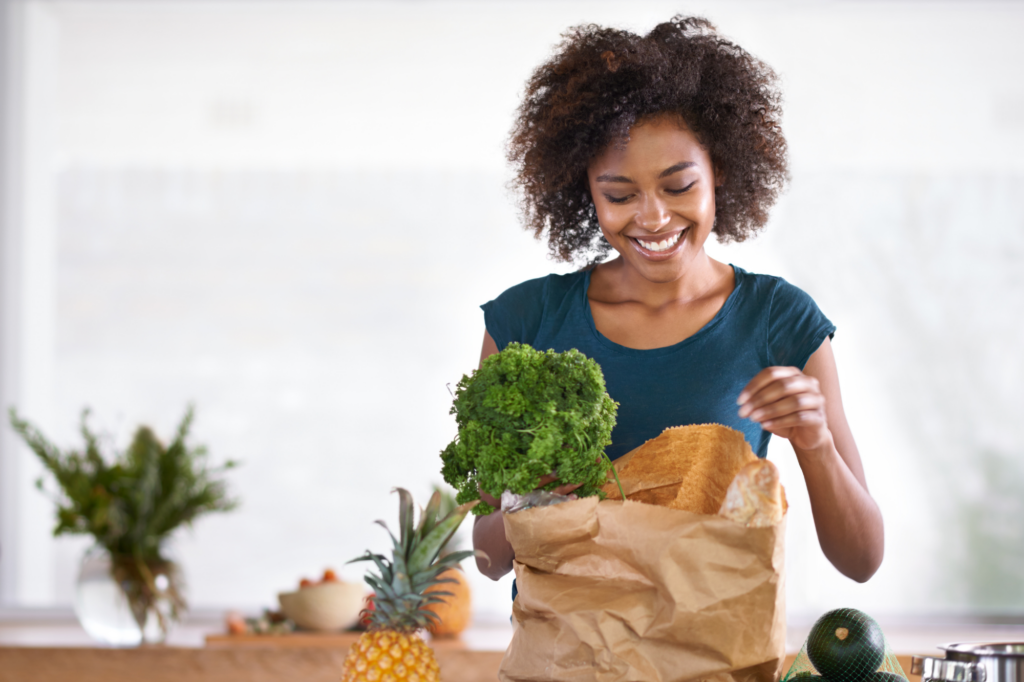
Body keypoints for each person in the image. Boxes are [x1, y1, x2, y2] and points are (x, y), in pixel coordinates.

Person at [472, 16, 883, 587]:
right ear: (584, 192)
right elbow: (489, 563)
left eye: (679, 186)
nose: (653, 217)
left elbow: (861, 559)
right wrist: (529, 505)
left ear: (721, 174)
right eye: (619, 194)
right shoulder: (527, 321)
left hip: (713, 663)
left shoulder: (779, 320)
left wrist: (815, 445)